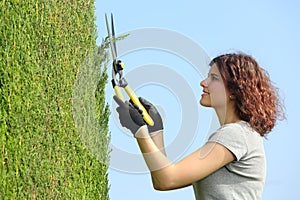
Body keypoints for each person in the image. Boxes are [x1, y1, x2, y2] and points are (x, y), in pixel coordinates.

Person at [114, 52, 285, 200]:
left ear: (234, 90)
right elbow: (162, 179)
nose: (203, 83)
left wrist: (139, 131)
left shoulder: (236, 134)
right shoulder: (239, 134)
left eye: (214, 78)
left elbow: (167, 179)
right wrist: (155, 131)